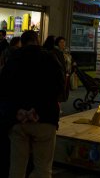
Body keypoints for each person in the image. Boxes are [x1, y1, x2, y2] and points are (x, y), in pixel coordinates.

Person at [0, 30, 65, 178]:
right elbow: (59, 86)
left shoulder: (13, 60)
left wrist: (15, 110)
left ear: (22, 42)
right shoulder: (49, 58)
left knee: (17, 167)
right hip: (45, 118)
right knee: (43, 168)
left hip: (17, 119)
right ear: (37, 40)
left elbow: (3, 88)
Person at [55, 36, 72, 101]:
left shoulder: (66, 51)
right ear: (57, 43)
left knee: (64, 90)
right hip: (60, 74)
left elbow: (70, 60)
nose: (63, 44)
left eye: (64, 42)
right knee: (60, 90)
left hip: (67, 73)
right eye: (61, 42)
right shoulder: (56, 52)